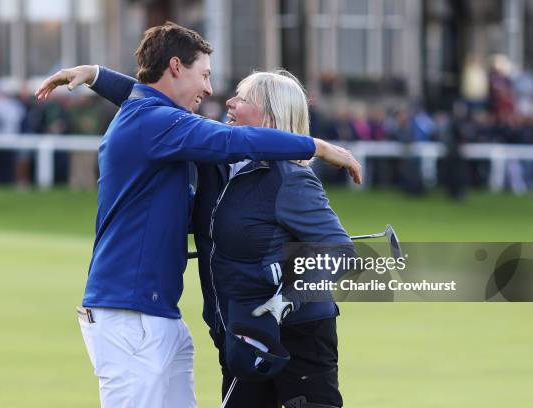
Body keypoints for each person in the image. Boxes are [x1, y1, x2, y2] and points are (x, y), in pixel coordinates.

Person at [36, 22, 361, 408]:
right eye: (205, 75)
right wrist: (317, 146)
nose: (213, 92)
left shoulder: (156, 117)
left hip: (162, 316)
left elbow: (143, 94)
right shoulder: (160, 124)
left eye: (237, 95)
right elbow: (228, 138)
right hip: (131, 315)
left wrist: (96, 75)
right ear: (176, 66)